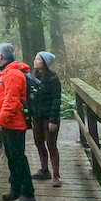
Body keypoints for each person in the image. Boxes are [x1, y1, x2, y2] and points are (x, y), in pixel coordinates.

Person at [0, 42, 35, 201]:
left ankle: (28, 194)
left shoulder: (13, 74)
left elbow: (12, 101)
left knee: (18, 159)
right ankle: (15, 189)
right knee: (11, 158)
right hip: (8, 125)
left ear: (1, 57)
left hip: (14, 125)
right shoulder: (5, 73)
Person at [30, 51, 62, 187]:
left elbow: (56, 100)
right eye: (36, 58)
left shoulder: (53, 80)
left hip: (49, 117)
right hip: (37, 116)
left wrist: (53, 120)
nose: (35, 61)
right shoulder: (33, 77)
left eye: (38, 59)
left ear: (45, 63)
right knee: (39, 142)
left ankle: (56, 176)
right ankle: (44, 170)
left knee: (51, 144)